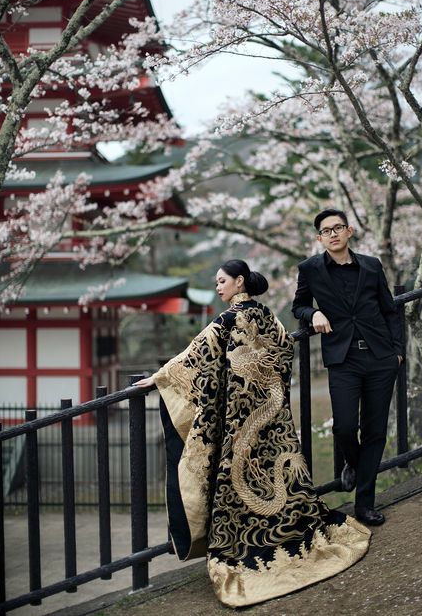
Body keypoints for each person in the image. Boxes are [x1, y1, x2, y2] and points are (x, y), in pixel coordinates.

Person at [134, 259, 370, 608]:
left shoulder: (227, 320)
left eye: (221, 281)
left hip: (240, 421)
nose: (218, 287)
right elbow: (285, 349)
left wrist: (160, 377)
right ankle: (288, 537)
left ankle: (251, 551)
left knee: (237, 479)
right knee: (279, 474)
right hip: (274, 421)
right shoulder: (268, 316)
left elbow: (195, 355)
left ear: (239, 281)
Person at [292, 209, 404, 527]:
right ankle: (354, 464)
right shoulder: (310, 269)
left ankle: (364, 504)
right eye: (326, 230)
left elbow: (389, 310)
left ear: (349, 231)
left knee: (375, 431)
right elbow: (297, 304)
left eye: (338, 228)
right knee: (343, 427)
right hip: (343, 360)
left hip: (381, 358)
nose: (333, 234)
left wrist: (398, 352)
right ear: (319, 238)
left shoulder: (371, 265)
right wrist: (311, 314)